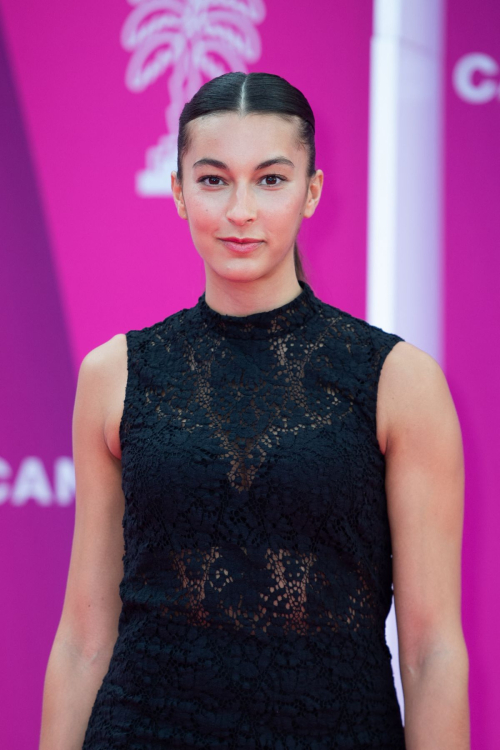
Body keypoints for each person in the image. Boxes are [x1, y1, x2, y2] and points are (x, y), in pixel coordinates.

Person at [40, 71, 470, 749]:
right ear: (179, 192)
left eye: (271, 179)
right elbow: (84, 638)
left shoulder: (398, 381)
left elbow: (431, 650)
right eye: (213, 180)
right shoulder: (114, 374)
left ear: (312, 191)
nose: (241, 209)